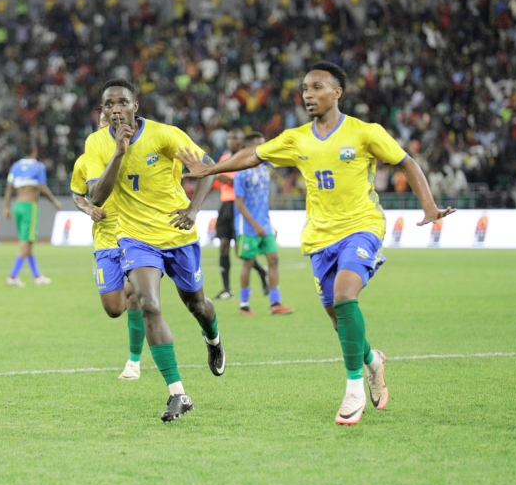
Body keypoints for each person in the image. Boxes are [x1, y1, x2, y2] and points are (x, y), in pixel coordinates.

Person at [177, 62, 455, 426]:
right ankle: (372, 361)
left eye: (317, 87)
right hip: (319, 238)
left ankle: (353, 388)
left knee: (344, 296)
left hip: (362, 226)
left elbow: (407, 163)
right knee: (338, 318)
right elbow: (253, 156)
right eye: (305, 88)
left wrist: (430, 207)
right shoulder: (296, 139)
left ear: (337, 92)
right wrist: (211, 170)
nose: (308, 94)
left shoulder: (365, 132)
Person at [84, 79, 224, 422]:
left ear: (136, 105)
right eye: (108, 104)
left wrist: (193, 210)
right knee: (148, 303)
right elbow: (96, 197)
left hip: (177, 234)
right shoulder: (97, 144)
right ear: (102, 111)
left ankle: (213, 338)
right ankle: (178, 393)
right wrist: (119, 152)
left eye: (122, 102)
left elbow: (207, 168)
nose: (115, 109)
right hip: (136, 239)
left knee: (197, 305)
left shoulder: (164, 135)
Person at [70, 133, 145, 380]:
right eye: (104, 119)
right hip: (104, 243)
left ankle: (134, 362)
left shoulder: (137, 153)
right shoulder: (86, 160)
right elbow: (77, 194)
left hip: (135, 237)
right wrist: (88, 208)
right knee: (114, 309)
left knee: (134, 293)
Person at [233, 132, 292, 316]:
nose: (263, 148)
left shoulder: (265, 170)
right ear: (250, 148)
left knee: (274, 259)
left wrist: (267, 224)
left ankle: (275, 303)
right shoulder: (242, 172)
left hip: (264, 224)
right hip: (248, 226)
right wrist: (255, 225)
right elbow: (239, 203)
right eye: (259, 145)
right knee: (248, 263)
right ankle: (244, 305)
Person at [214, 128, 269, 301]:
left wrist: (228, 180)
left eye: (234, 138)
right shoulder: (224, 158)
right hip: (225, 205)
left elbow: (243, 181)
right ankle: (226, 289)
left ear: (241, 141)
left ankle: (262, 273)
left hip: (239, 206)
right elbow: (217, 177)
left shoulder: (247, 159)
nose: (231, 141)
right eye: (229, 138)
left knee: (240, 251)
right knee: (223, 246)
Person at [3, 146, 62, 287]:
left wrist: (6, 207)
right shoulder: (38, 166)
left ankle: (37, 276)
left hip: (17, 206)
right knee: (25, 243)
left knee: (27, 243)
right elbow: (42, 187)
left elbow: (9, 187)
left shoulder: (15, 166)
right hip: (30, 206)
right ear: (34, 151)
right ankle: (13, 276)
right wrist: (54, 201)